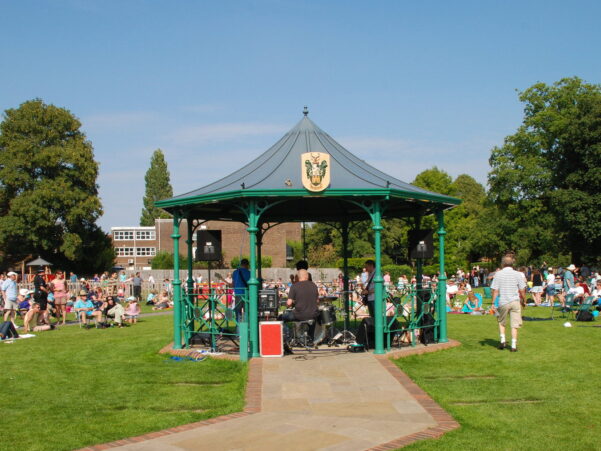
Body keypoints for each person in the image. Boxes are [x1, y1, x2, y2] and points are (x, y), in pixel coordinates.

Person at [491, 254, 526, 352]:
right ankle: (514, 345)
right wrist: (524, 300)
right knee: (514, 324)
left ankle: (503, 340)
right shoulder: (517, 274)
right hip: (515, 301)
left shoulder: (498, 274)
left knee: (501, 321)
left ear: (502, 264)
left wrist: (493, 302)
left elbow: (495, 290)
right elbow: (522, 289)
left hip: (503, 301)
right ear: (512, 263)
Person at [231, 258, 250, 323]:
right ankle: (247, 327)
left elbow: (233, 285)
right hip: (246, 295)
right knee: (246, 313)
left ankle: (238, 329)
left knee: (238, 314)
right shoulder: (249, 273)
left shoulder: (235, 272)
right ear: (247, 265)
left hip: (238, 294)